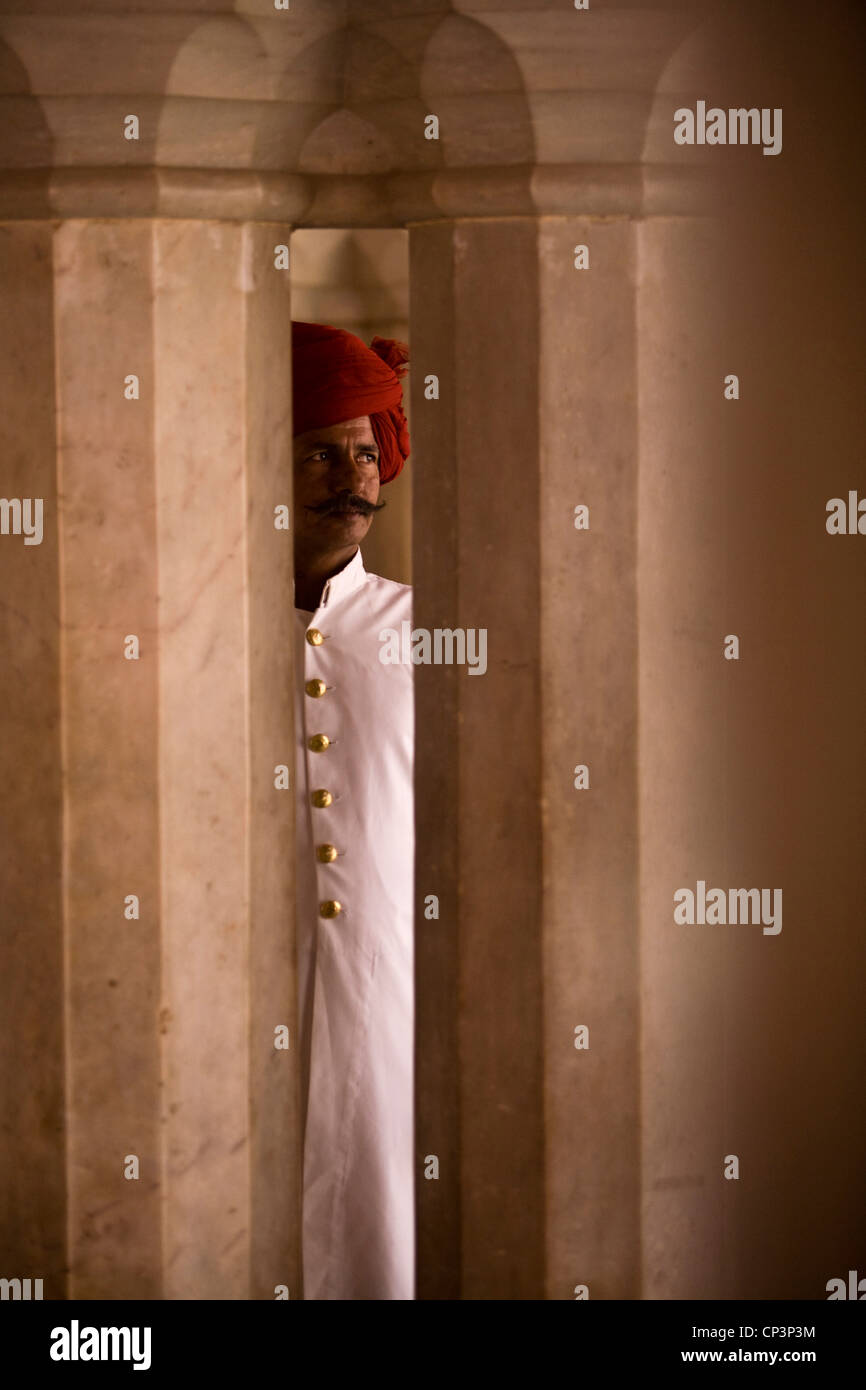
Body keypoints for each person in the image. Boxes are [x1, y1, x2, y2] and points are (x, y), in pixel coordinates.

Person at [291, 320, 414, 1300]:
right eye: (323, 451)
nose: (353, 474)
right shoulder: (189, 630)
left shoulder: (424, 631)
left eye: (366, 450)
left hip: (386, 991)